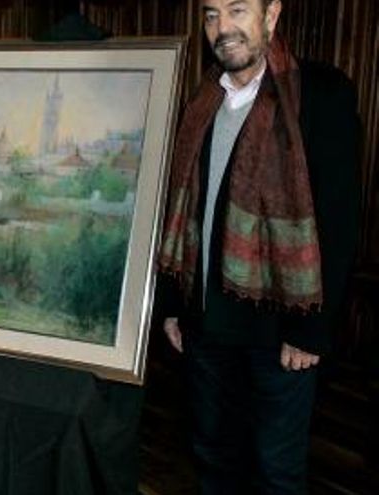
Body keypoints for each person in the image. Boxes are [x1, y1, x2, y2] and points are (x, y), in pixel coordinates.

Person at [157, 0, 360, 492]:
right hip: (206, 325)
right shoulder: (203, 99)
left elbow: (339, 218)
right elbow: (182, 211)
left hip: (280, 330)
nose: (222, 28)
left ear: (271, 15)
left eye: (237, 10)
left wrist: (311, 331)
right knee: (213, 458)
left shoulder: (319, 94)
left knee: (276, 472)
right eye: (210, 15)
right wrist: (172, 306)